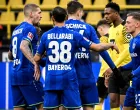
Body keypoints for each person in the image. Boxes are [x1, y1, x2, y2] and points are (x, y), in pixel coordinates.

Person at [34, 6, 119, 110]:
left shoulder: (46, 36)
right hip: (73, 77)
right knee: (80, 107)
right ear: (66, 17)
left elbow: (37, 58)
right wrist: (110, 45)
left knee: (58, 107)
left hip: (52, 78)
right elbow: (97, 47)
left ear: (52, 18)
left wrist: (41, 61)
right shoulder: (76, 34)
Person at [65, 1, 122, 110]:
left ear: (67, 12)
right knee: (89, 106)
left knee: (66, 106)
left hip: (67, 74)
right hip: (85, 74)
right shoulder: (88, 28)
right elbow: (100, 49)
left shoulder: (60, 29)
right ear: (79, 12)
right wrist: (114, 68)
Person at [8, 4, 43, 110]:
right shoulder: (30, 28)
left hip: (15, 75)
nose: (41, 16)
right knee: (44, 104)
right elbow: (23, 46)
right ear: (31, 14)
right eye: (39, 13)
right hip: (27, 74)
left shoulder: (16, 30)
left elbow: (10, 55)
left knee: (20, 107)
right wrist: (34, 63)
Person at [103, 2, 132, 109]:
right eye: (104, 13)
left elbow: (127, 50)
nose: (105, 16)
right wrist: (109, 67)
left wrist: (114, 66)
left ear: (116, 13)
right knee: (113, 100)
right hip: (114, 70)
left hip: (125, 69)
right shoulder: (111, 29)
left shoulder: (125, 28)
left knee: (125, 103)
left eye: (108, 13)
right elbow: (112, 51)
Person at [121, 12, 140, 110]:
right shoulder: (133, 40)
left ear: (137, 24)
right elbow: (135, 61)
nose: (125, 25)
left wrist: (132, 74)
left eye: (128, 23)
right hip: (135, 83)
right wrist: (121, 68)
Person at [95, 19, 110, 110]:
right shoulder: (117, 36)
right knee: (118, 99)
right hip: (118, 70)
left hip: (104, 73)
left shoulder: (103, 38)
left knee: (99, 100)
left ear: (100, 29)